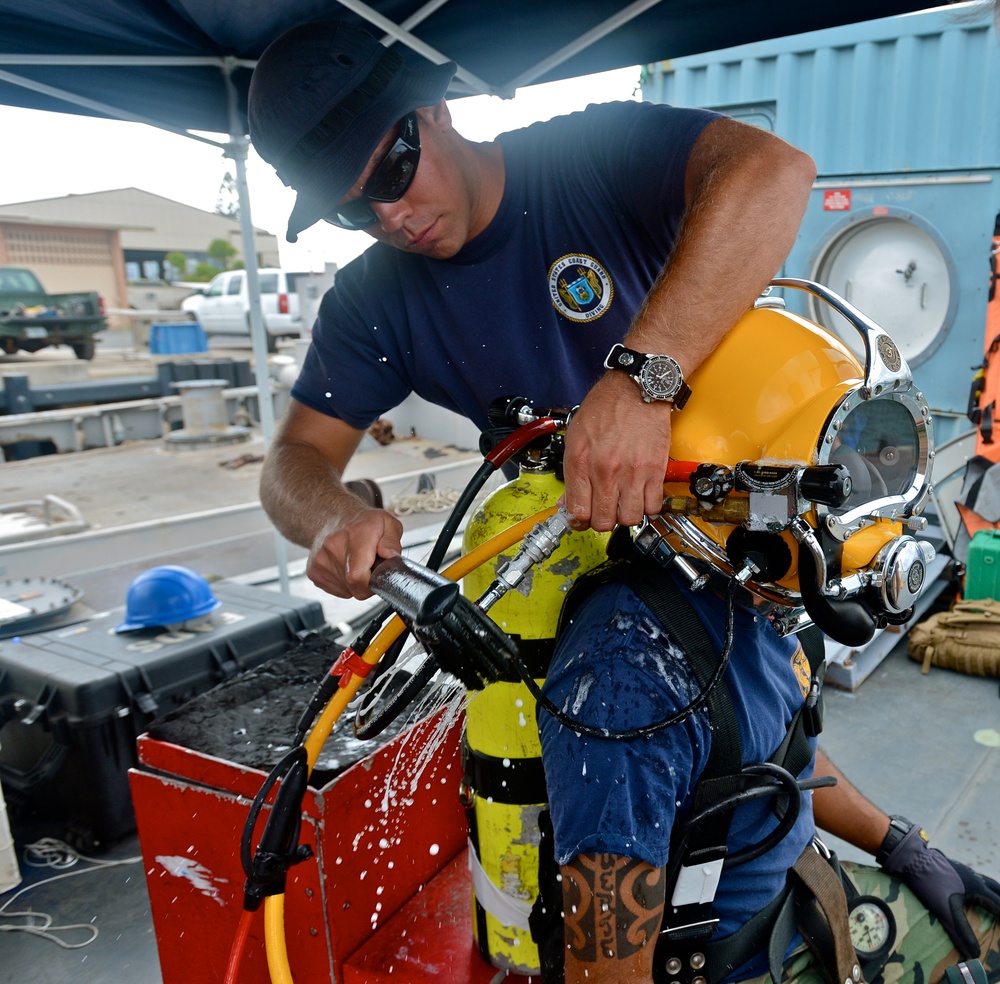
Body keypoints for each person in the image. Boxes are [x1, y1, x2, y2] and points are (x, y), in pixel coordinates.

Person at [247, 20, 1000, 984]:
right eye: (354, 212)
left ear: (431, 108)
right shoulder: (376, 300)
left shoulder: (587, 156)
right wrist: (332, 518)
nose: (387, 217)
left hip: (714, 553)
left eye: (390, 172)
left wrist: (643, 380)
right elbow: (294, 460)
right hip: (593, 619)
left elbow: (771, 172)